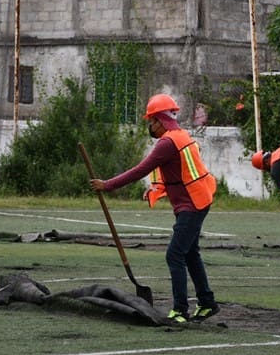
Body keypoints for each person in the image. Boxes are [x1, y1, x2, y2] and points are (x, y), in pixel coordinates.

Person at [89, 93, 220, 324]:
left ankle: (180, 310)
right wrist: (158, 188)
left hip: (193, 203)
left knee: (175, 254)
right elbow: (172, 171)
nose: (150, 126)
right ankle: (207, 303)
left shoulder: (167, 143)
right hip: (198, 199)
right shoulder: (180, 136)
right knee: (189, 253)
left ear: (161, 120)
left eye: (151, 121)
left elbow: (140, 170)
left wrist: (107, 185)